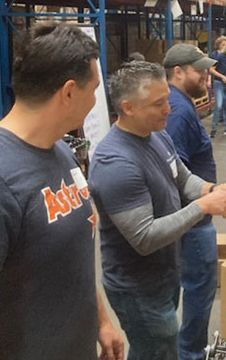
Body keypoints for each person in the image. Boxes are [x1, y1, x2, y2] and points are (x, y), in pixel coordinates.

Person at [88, 61, 226, 360]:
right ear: (128, 107)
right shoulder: (115, 162)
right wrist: (202, 207)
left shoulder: (156, 135)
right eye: (158, 103)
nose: (168, 110)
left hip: (164, 274)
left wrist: (212, 190)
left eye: (167, 100)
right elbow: (144, 236)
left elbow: (183, 178)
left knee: (153, 349)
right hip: (137, 289)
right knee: (159, 350)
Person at [0, 22, 124, 360]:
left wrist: (100, 320)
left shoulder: (61, 151)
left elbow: (74, 253)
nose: (99, 98)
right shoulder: (4, 179)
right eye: (95, 88)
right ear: (69, 92)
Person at [163, 44, 224, 360]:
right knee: (198, 291)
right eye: (199, 69)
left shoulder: (182, 105)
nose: (206, 75)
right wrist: (205, 201)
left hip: (195, 217)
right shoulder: (178, 112)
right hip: (192, 222)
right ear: (178, 72)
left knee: (197, 290)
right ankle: (189, 354)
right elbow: (174, 173)